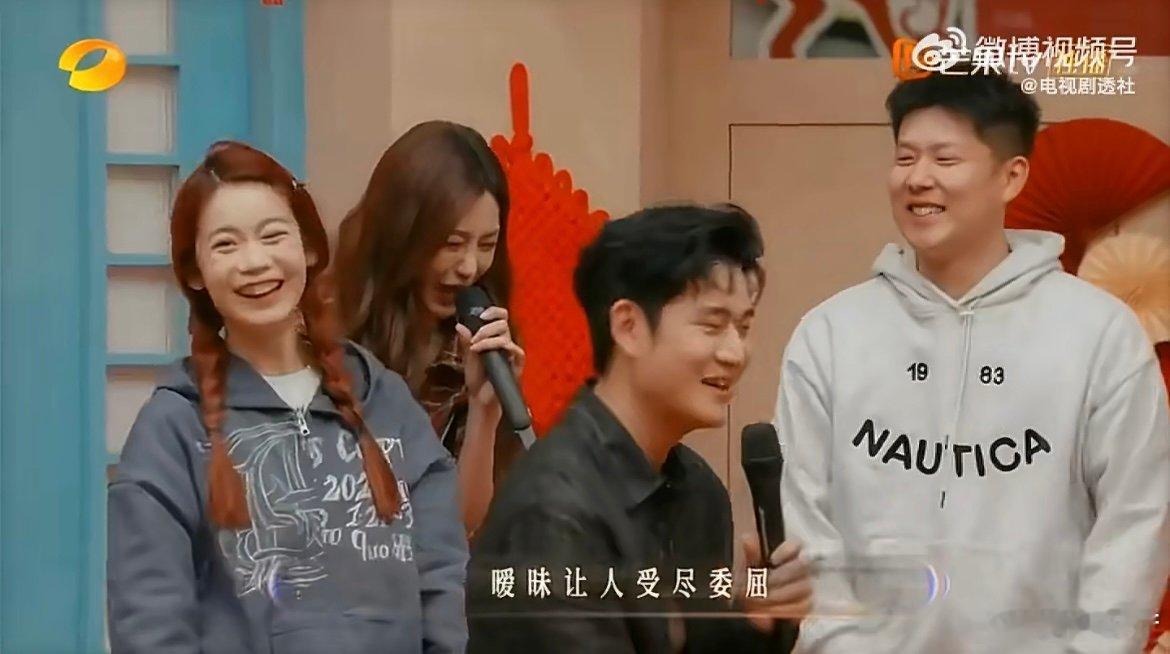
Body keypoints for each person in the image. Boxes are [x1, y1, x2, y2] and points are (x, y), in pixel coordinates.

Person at [775, 69, 1170, 653]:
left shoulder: (1098, 332)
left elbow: (1134, 523)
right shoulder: (830, 334)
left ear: (1012, 176)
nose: (918, 178)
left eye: (945, 158)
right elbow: (807, 526)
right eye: (905, 157)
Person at [107, 141, 467, 653]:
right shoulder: (173, 428)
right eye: (226, 245)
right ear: (195, 274)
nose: (255, 262)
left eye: (273, 235)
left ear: (309, 248)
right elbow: (149, 623)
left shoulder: (383, 400)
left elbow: (443, 578)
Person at [468, 204, 810, 653]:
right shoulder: (551, 512)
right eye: (712, 325)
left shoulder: (699, 491)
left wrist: (756, 626)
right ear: (628, 327)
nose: (735, 353)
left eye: (743, 328)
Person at [334, 121, 524, 537]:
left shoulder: (477, 340)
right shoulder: (325, 331)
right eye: (452, 243)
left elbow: (459, 529)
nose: (469, 267)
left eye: (487, 244)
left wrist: (484, 413)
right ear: (401, 234)